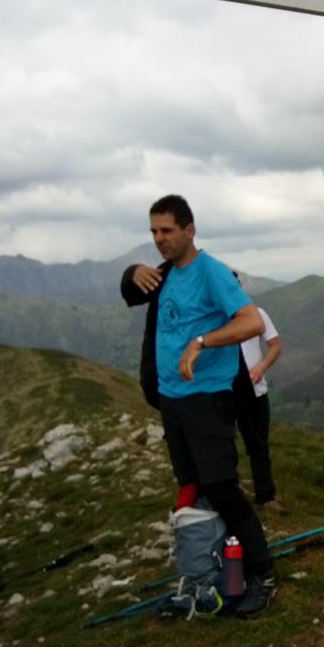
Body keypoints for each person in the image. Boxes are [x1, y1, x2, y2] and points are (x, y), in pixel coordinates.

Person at [120, 194, 277, 617]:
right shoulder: (165, 274)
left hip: (207, 397)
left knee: (222, 486)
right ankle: (213, 572)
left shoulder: (210, 272)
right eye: (153, 231)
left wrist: (201, 341)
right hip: (172, 399)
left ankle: (263, 574)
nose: (158, 239)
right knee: (193, 487)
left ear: (190, 230)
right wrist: (131, 272)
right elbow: (131, 292)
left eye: (166, 230)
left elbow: (251, 321)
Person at [233, 294, 283, 510]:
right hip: (222, 389)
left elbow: (275, 345)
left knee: (258, 444)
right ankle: (230, 494)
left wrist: (261, 367)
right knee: (223, 443)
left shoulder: (257, 314)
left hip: (254, 388)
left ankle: (266, 496)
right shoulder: (213, 318)